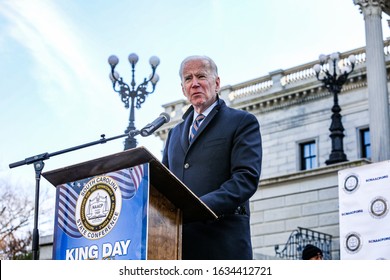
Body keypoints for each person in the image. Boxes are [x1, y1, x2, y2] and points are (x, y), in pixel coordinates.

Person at [162, 55, 262, 260]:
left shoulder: (242, 122)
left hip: (222, 245)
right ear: (183, 89)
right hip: (179, 248)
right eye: (188, 78)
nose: (195, 83)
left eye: (201, 76)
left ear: (216, 83)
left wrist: (200, 207)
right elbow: (164, 187)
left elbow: (245, 179)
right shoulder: (173, 134)